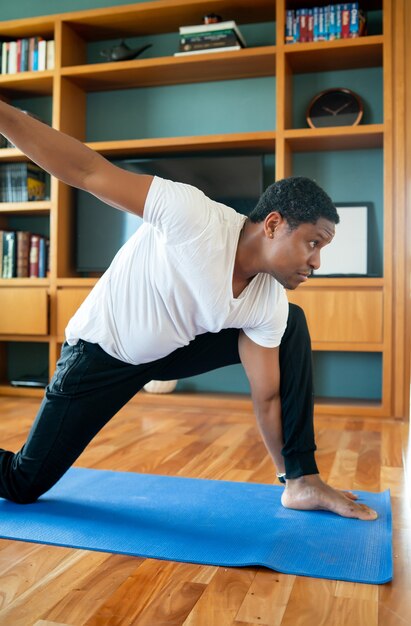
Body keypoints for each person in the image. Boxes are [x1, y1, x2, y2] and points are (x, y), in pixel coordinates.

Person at [0, 101, 377, 520]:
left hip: (170, 350)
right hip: (101, 355)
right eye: (313, 243)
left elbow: (268, 396)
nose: (317, 263)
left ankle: (303, 482)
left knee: (292, 324)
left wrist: (291, 476)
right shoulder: (193, 216)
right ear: (272, 225)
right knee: (23, 484)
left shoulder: (268, 299)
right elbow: (87, 171)